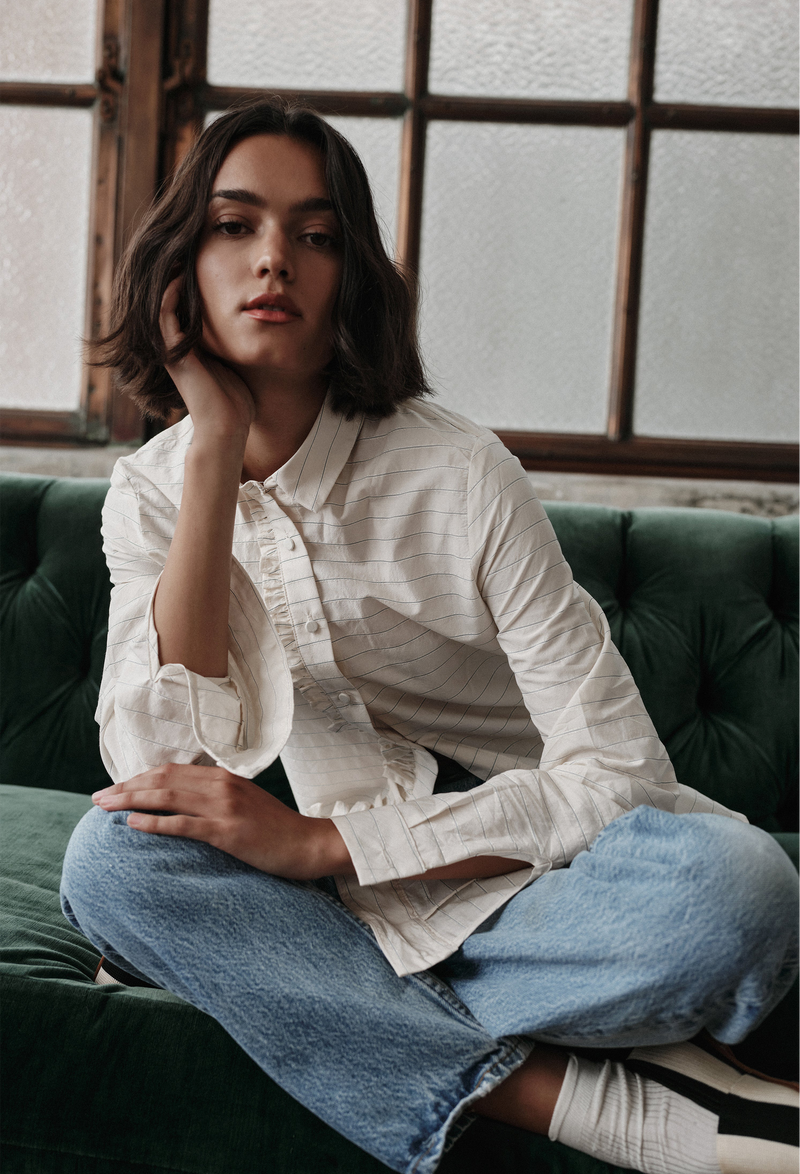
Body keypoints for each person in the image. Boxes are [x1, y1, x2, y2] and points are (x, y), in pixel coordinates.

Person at [60, 98, 800, 1174]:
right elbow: (155, 766)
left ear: (349, 275)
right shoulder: (152, 492)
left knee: (736, 895)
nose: (274, 259)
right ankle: (611, 1106)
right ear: (179, 267)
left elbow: (615, 774)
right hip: (324, 906)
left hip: (531, 881)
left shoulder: (460, 471)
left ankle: (271, 982)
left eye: (314, 236)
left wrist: (324, 846)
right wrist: (212, 444)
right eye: (234, 225)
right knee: (113, 864)